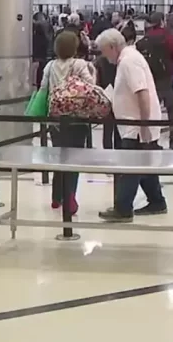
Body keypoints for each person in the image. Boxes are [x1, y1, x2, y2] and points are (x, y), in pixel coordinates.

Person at [97, 28, 168, 222]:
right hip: (135, 125)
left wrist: (144, 125)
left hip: (136, 127)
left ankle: (123, 208)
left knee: (130, 167)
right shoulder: (128, 59)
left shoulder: (129, 61)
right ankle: (157, 201)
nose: (103, 56)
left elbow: (142, 93)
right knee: (143, 165)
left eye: (104, 51)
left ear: (113, 47)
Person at [40, 30, 96, 215]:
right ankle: (70, 196)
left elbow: (43, 89)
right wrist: (93, 71)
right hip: (77, 117)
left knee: (59, 156)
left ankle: (57, 197)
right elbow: (90, 86)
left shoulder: (49, 66)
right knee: (74, 158)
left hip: (55, 118)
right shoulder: (79, 64)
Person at [141, 11, 173, 149]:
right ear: (162, 21)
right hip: (168, 77)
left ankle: (152, 140)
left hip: (151, 78)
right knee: (172, 110)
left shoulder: (145, 39)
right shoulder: (168, 36)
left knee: (153, 110)